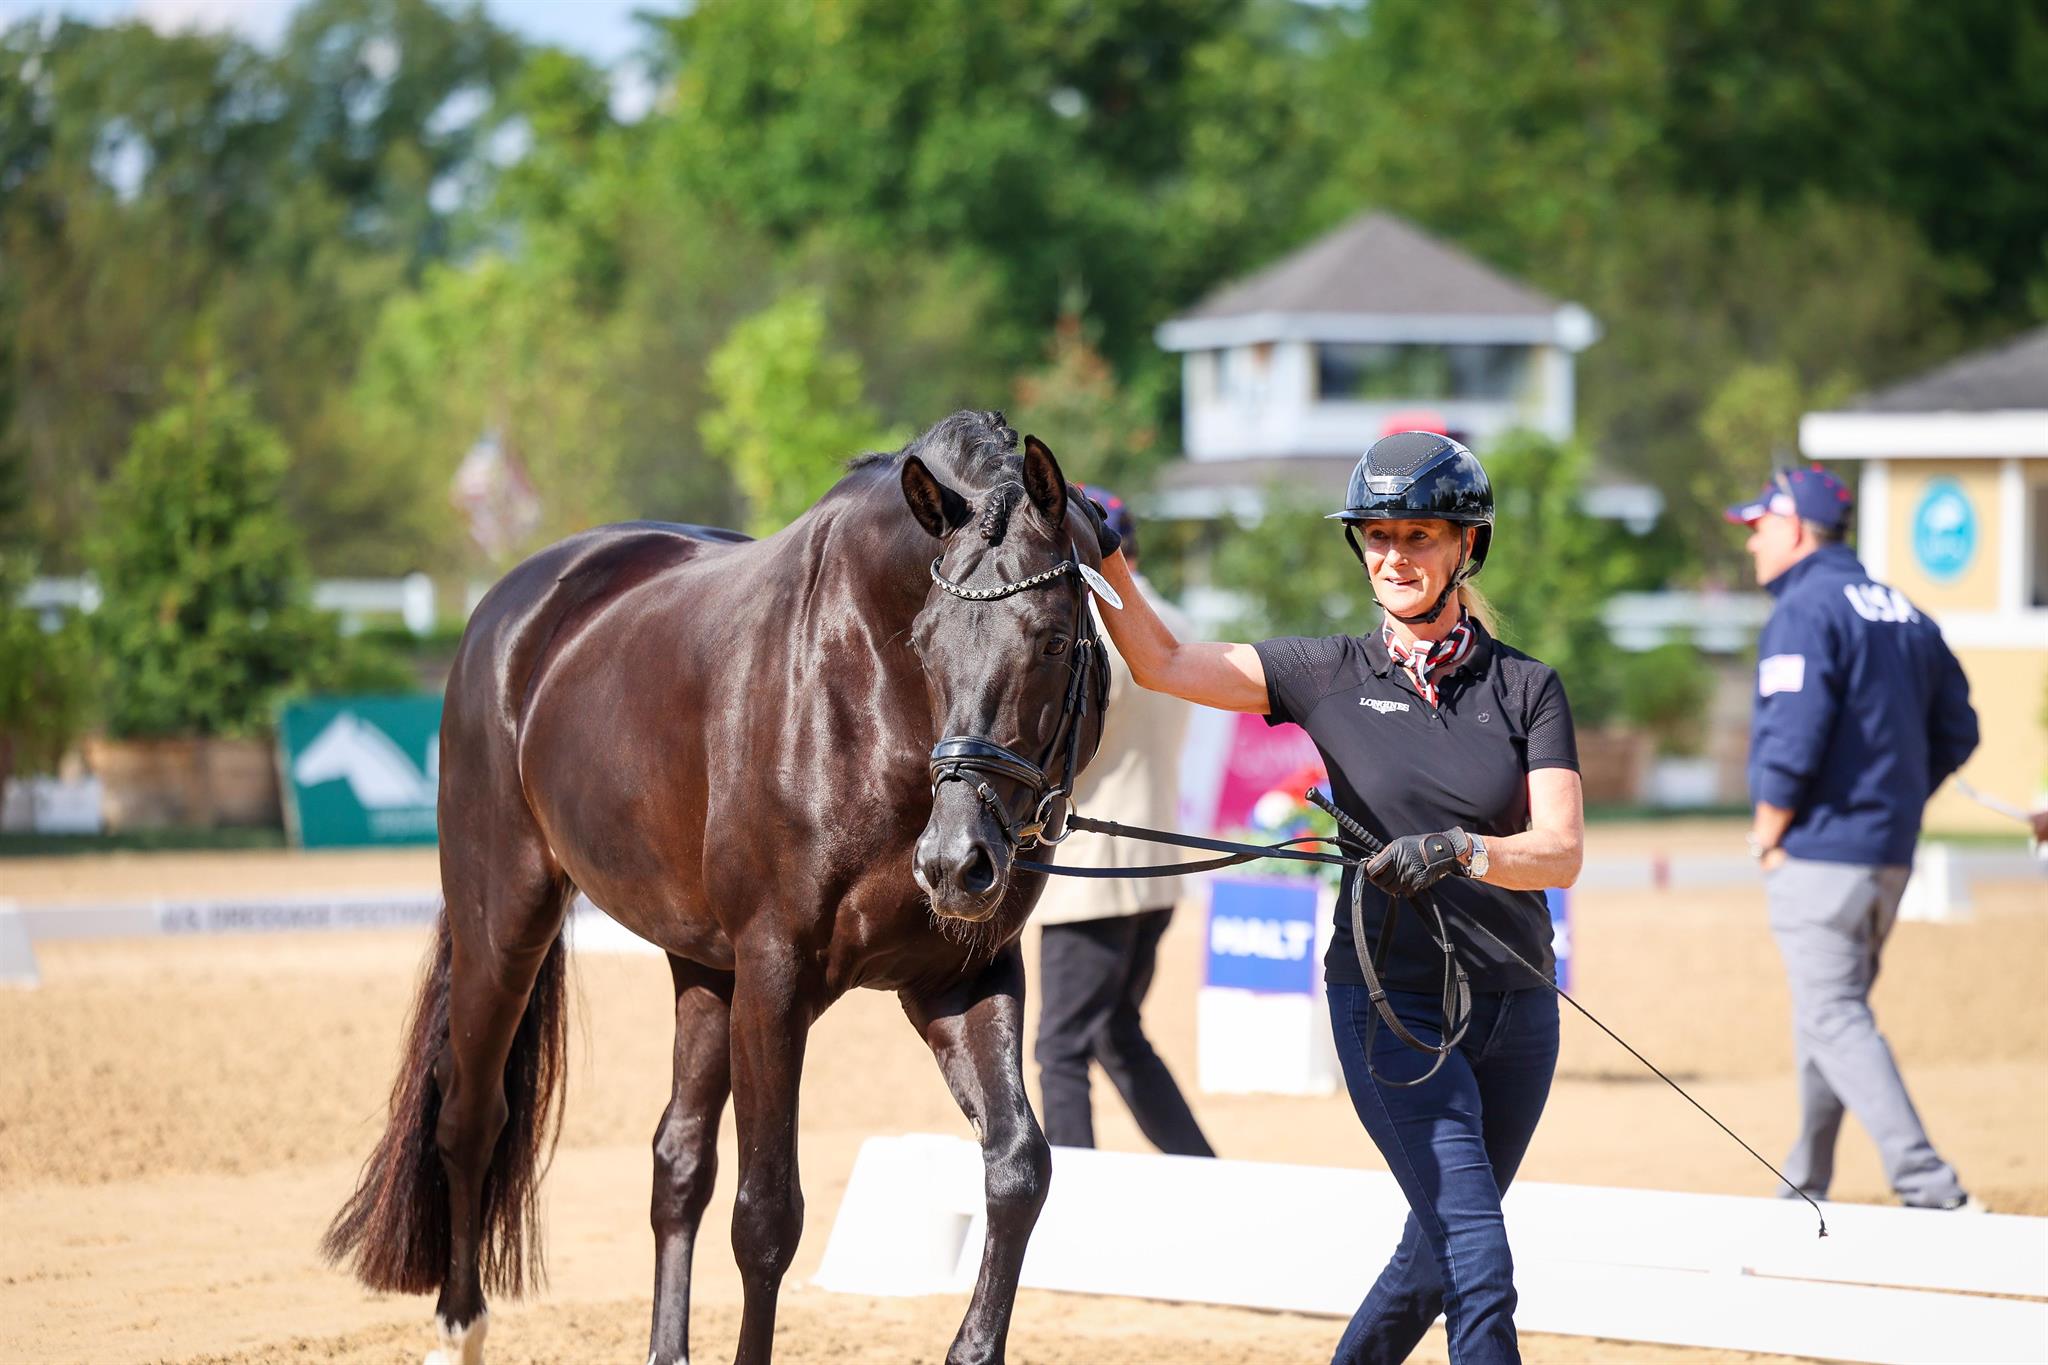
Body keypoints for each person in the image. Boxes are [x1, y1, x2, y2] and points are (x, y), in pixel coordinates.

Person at [1085, 432, 1584, 1365]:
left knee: (1433, 1257)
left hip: (1516, 1010)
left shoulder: (1527, 688)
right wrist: (1103, 550)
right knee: (1479, 1259)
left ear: (1466, 546)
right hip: (1391, 1004)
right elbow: (1159, 660)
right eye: (1378, 536)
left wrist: (1464, 849)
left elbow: (1558, 853)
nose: (1394, 556)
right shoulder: (1322, 672)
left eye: (1419, 535)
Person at [1728, 465, 1982, 1212]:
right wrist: (1894, 800)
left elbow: (1794, 734)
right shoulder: (1903, 608)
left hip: (1822, 851)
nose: (1751, 545)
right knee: (1829, 1014)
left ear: (1798, 528)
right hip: (1887, 853)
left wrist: (1768, 831)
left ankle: (1933, 1191)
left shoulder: (1805, 608)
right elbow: (1960, 728)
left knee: (1835, 1016)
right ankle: (1804, 1185)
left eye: (1760, 527)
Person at [1031, 488, 1215, 1157]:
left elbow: (1069, 749)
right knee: (1118, 1032)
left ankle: (1074, 1196)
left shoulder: (1095, 632)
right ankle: (1201, 1168)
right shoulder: (1176, 622)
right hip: (1157, 867)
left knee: (1061, 1048)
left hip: (1092, 870)